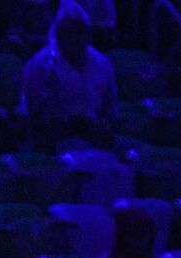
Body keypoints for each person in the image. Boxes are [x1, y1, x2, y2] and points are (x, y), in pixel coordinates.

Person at [21, 1, 117, 149]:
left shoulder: (102, 64)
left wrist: (97, 127)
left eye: (79, 32)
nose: (75, 39)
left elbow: (109, 110)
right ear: (58, 35)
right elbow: (32, 113)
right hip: (52, 142)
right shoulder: (39, 65)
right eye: (68, 33)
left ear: (88, 35)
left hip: (95, 141)